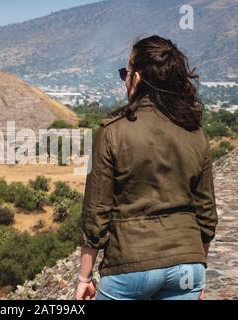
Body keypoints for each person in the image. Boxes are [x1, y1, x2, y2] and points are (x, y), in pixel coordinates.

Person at [76, 35, 218, 301]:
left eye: (125, 73)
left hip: (130, 264)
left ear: (137, 78)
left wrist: (84, 277)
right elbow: (207, 214)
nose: (124, 80)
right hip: (188, 266)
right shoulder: (195, 132)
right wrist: (197, 266)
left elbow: (96, 213)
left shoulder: (112, 131)